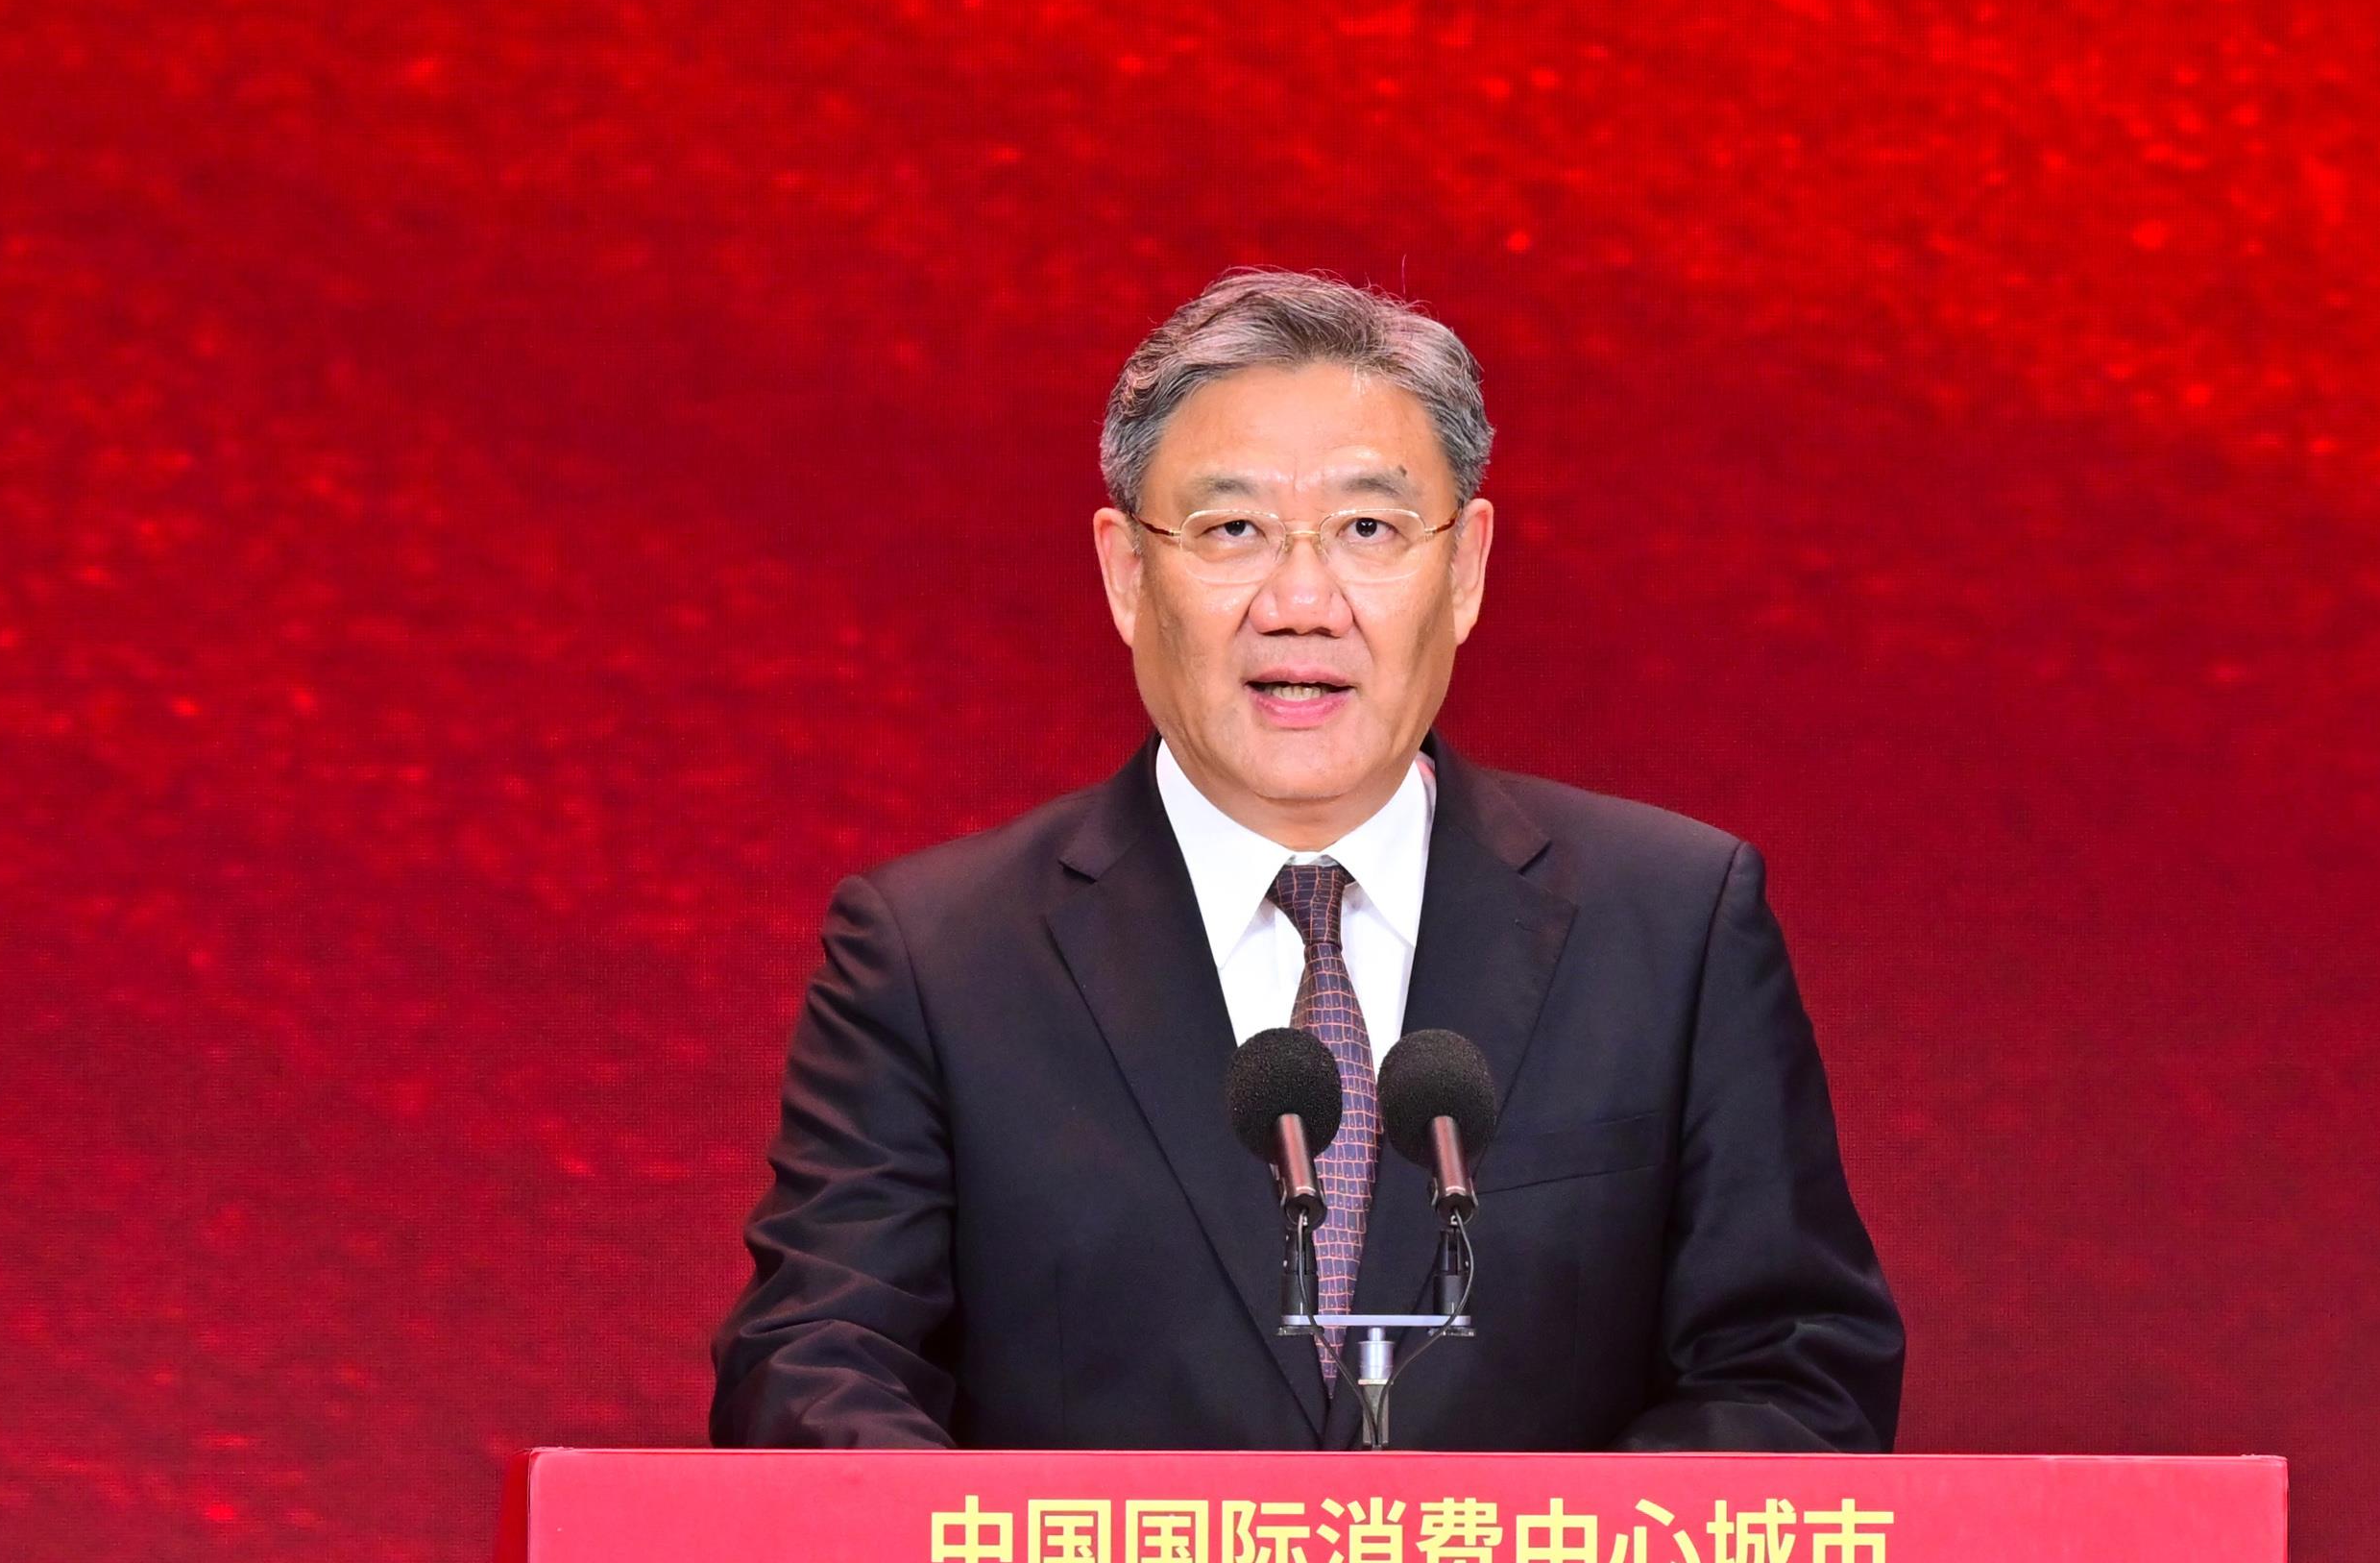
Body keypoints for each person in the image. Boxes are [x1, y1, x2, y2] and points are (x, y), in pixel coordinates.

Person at [711, 270, 1905, 1450]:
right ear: (1127, 573)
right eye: (1231, 530)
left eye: (1367, 530)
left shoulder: (1671, 923)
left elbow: (1794, 1371)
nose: (1298, 601)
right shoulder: (937, 956)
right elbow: (815, 1365)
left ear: (1464, 567)